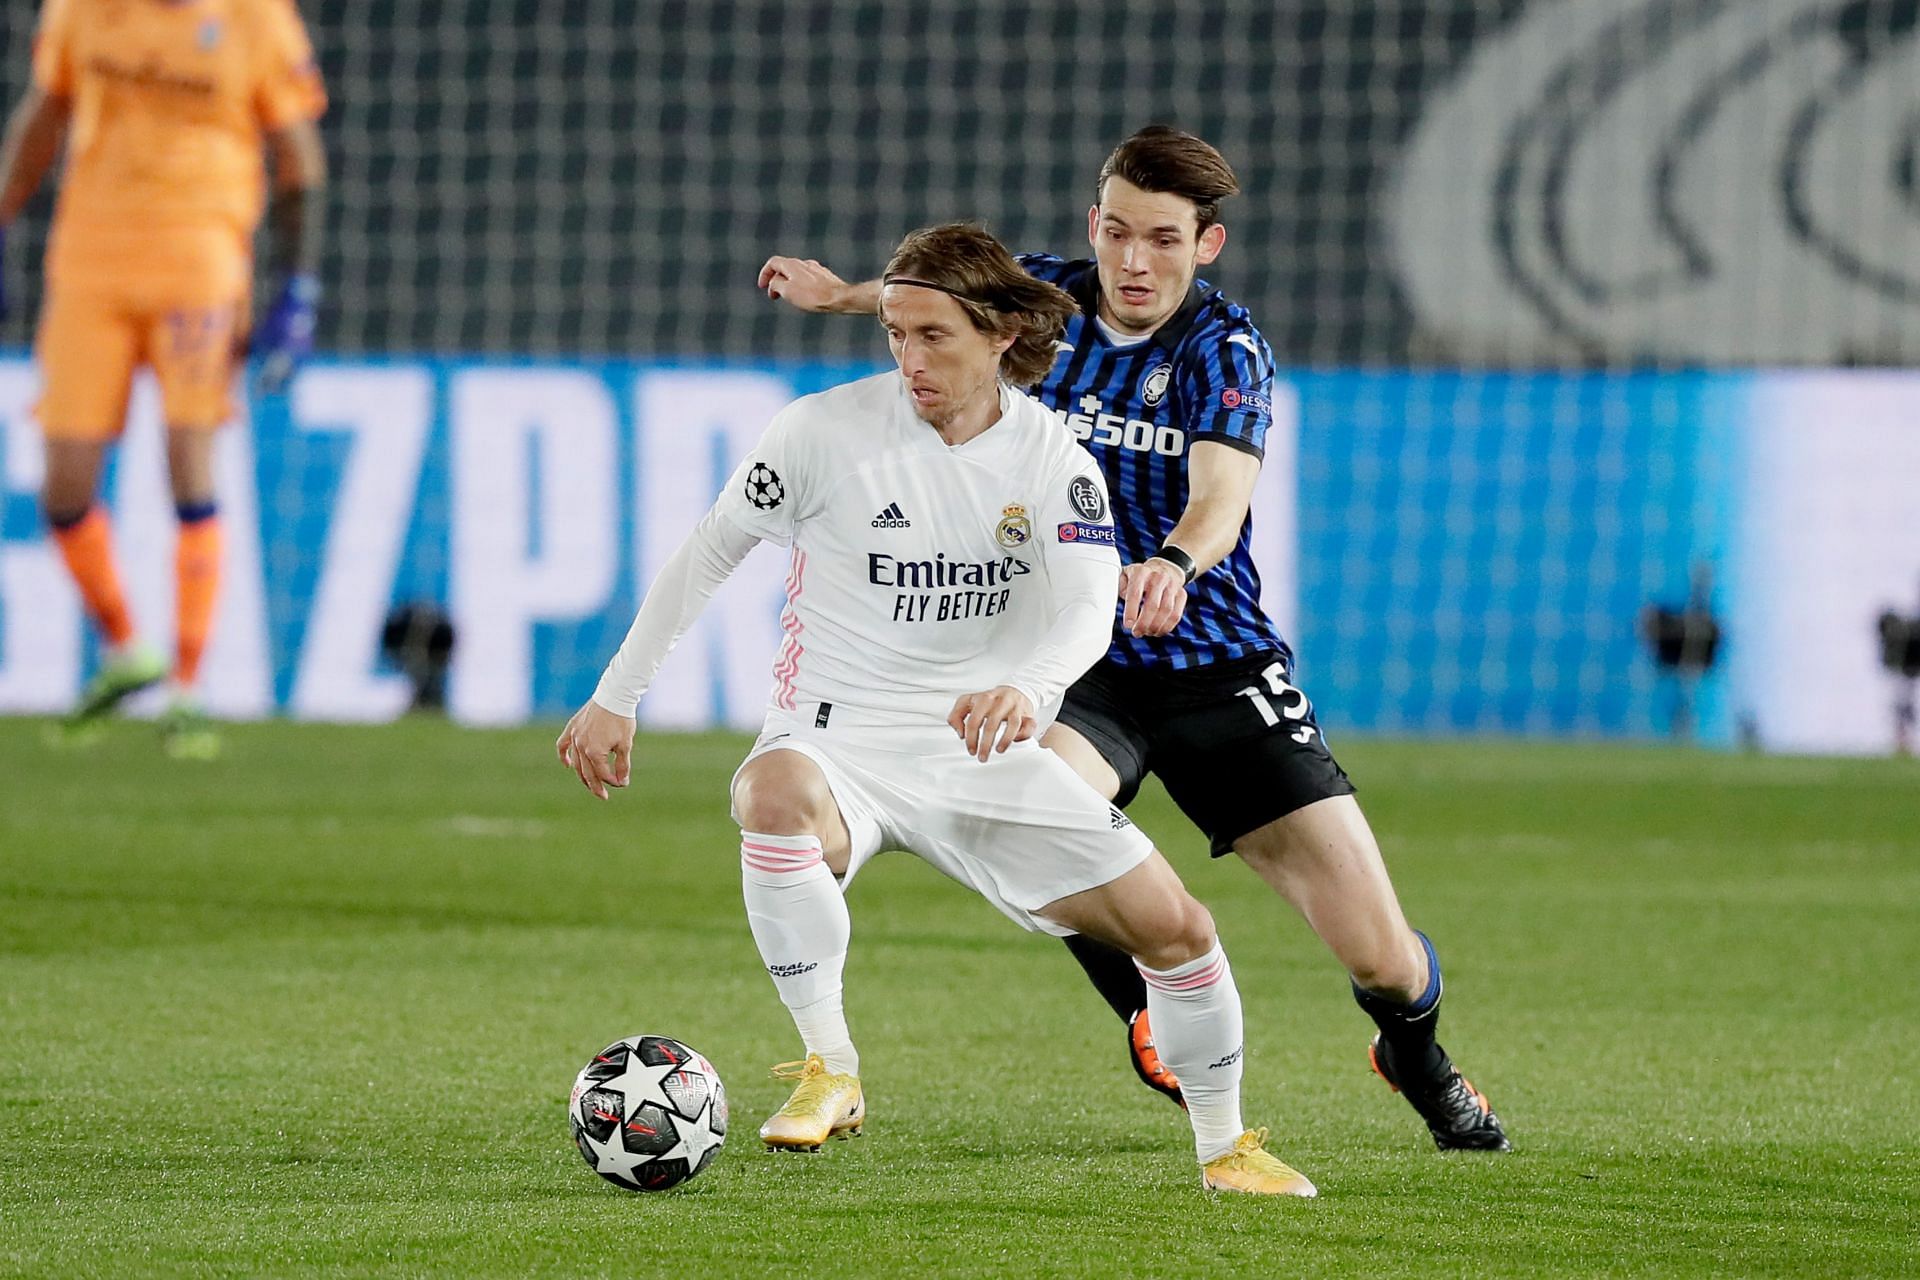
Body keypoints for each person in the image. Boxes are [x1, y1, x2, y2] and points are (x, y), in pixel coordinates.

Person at [757, 127, 1509, 1151]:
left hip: (1215, 665)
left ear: (1208, 245)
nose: (1135, 260)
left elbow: (1222, 494)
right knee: (1034, 814)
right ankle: (1151, 1006)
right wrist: (841, 293)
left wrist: (1178, 562)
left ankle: (1414, 1053)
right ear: (1092, 228)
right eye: (1117, 232)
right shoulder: (1046, 304)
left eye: (1163, 238)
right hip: (1080, 668)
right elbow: (928, 296)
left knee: (1381, 955)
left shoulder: (1223, 349)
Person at [558, 223, 1316, 1196]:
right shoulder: (820, 431)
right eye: (895, 333)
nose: (909, 359)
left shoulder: (1050, 458)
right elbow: (711, 548)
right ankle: (830, 1066)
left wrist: (1030, 690)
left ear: (1002, 335)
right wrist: (615, 696)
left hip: (980, 749)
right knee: (770, 791)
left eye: (934, 337)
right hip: (837, 737)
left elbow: (1091, 604)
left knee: (1178, 930)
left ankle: (1224, 1150)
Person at [0, 0, 328, 758]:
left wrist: (297, 286)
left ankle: (185, 687)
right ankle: (126, 649)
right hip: (90, 263)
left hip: (201, 259)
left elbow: (298, 156)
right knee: (65, 488)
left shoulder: (255, 18)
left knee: (190, 464)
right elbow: (42, 116)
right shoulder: (82, 8)